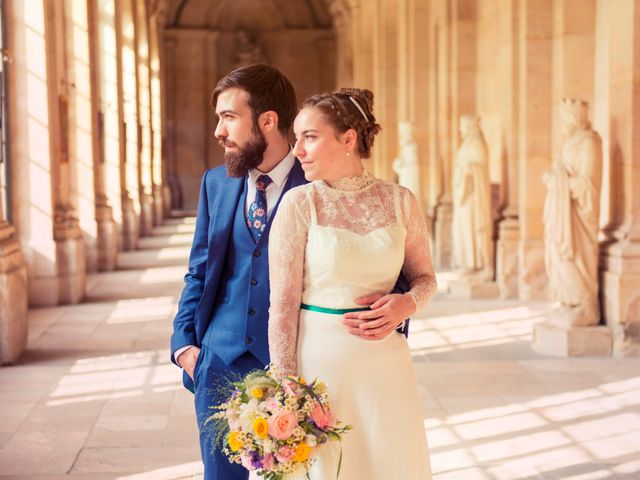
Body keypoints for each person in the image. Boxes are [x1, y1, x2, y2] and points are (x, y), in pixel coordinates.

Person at [170, 64, 412, 480]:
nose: (218, 131)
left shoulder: (323, 177)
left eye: (228, 116)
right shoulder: (216, 183)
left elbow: (379, 257)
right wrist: (185, 347)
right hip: (218, 361)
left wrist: (399, 306)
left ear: (266, 121)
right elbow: (200, 271)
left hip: (304, 364)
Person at [268, 88, 436, 479]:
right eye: (297, 138)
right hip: (319, 370)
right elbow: (282, 305)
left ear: (348, 139)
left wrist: (406, 304)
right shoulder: (299, 204)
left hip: (386, 366)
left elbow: (425, 279)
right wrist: (285, 386)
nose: (297, 150)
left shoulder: (400, 201)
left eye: (310, 137)